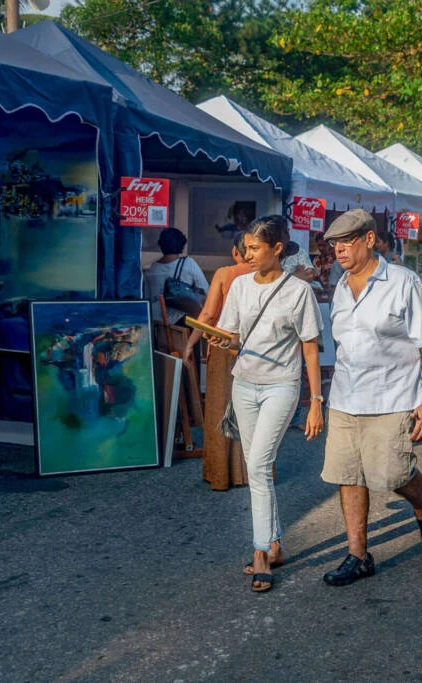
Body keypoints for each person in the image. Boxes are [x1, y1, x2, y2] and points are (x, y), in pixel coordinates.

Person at [319, 209, 422, 586]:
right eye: (334, 245)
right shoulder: (340, 286)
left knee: (393, 474)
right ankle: (358, 555)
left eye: (346, 242)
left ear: (369, 240)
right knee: (348, 474)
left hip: (393, 397)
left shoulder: (404, 283)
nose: (338, 251)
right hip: (345, 398)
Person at [211, 215, 324, 593]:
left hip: (282, 386)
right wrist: (220, 341)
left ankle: (260, 552)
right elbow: (232, 336)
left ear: (278, 249)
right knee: (258, 468)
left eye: (255, 248)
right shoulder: (241, 286)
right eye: (246, 247)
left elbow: (310, 348)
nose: (248, 254)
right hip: (244, 384)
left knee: (257, 465)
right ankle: (274, 544)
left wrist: (316, 401)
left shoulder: (298, 292)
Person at [183, 230, 253, 491]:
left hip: (224, 348)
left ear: (236, 252)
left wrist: (190, 344)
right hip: (256, 349)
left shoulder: (225, 274)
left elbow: (208, 314)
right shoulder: (267, 275)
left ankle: (222, 475)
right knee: (253, 412)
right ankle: (252, 473)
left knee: (219, 409)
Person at [143, 227, 209, 325]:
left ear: (161, 244)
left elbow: (147, 298)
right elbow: (206, 290)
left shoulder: (153, 268)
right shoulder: (188, 263)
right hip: (181, 323)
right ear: (182, 244)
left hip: (156, 323)